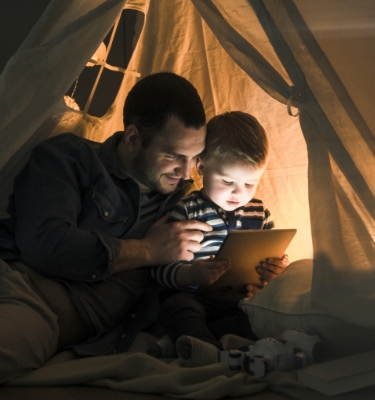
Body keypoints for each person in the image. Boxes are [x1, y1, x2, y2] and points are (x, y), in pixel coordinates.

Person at [0, 71, 224, 383]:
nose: (187, 172)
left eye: (195, 157)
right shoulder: (70, 158)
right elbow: (47, 246)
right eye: (174, 156)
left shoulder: (186, 204)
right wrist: (148, 250)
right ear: (133, 138)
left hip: (86, 335)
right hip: (23, 290)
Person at [149, 111, 289, 367]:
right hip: (194, 298)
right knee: (176, 308)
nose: (239, 193)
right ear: (202, 167)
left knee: (263, 316)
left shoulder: (260, 212)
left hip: (240, 301)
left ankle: (191, 341)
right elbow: (159, 271)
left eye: (250, 184)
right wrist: (191, 275)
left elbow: (271, 258)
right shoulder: (187, 210)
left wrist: (275, 272)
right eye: (227, 181)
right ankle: (208, 352)